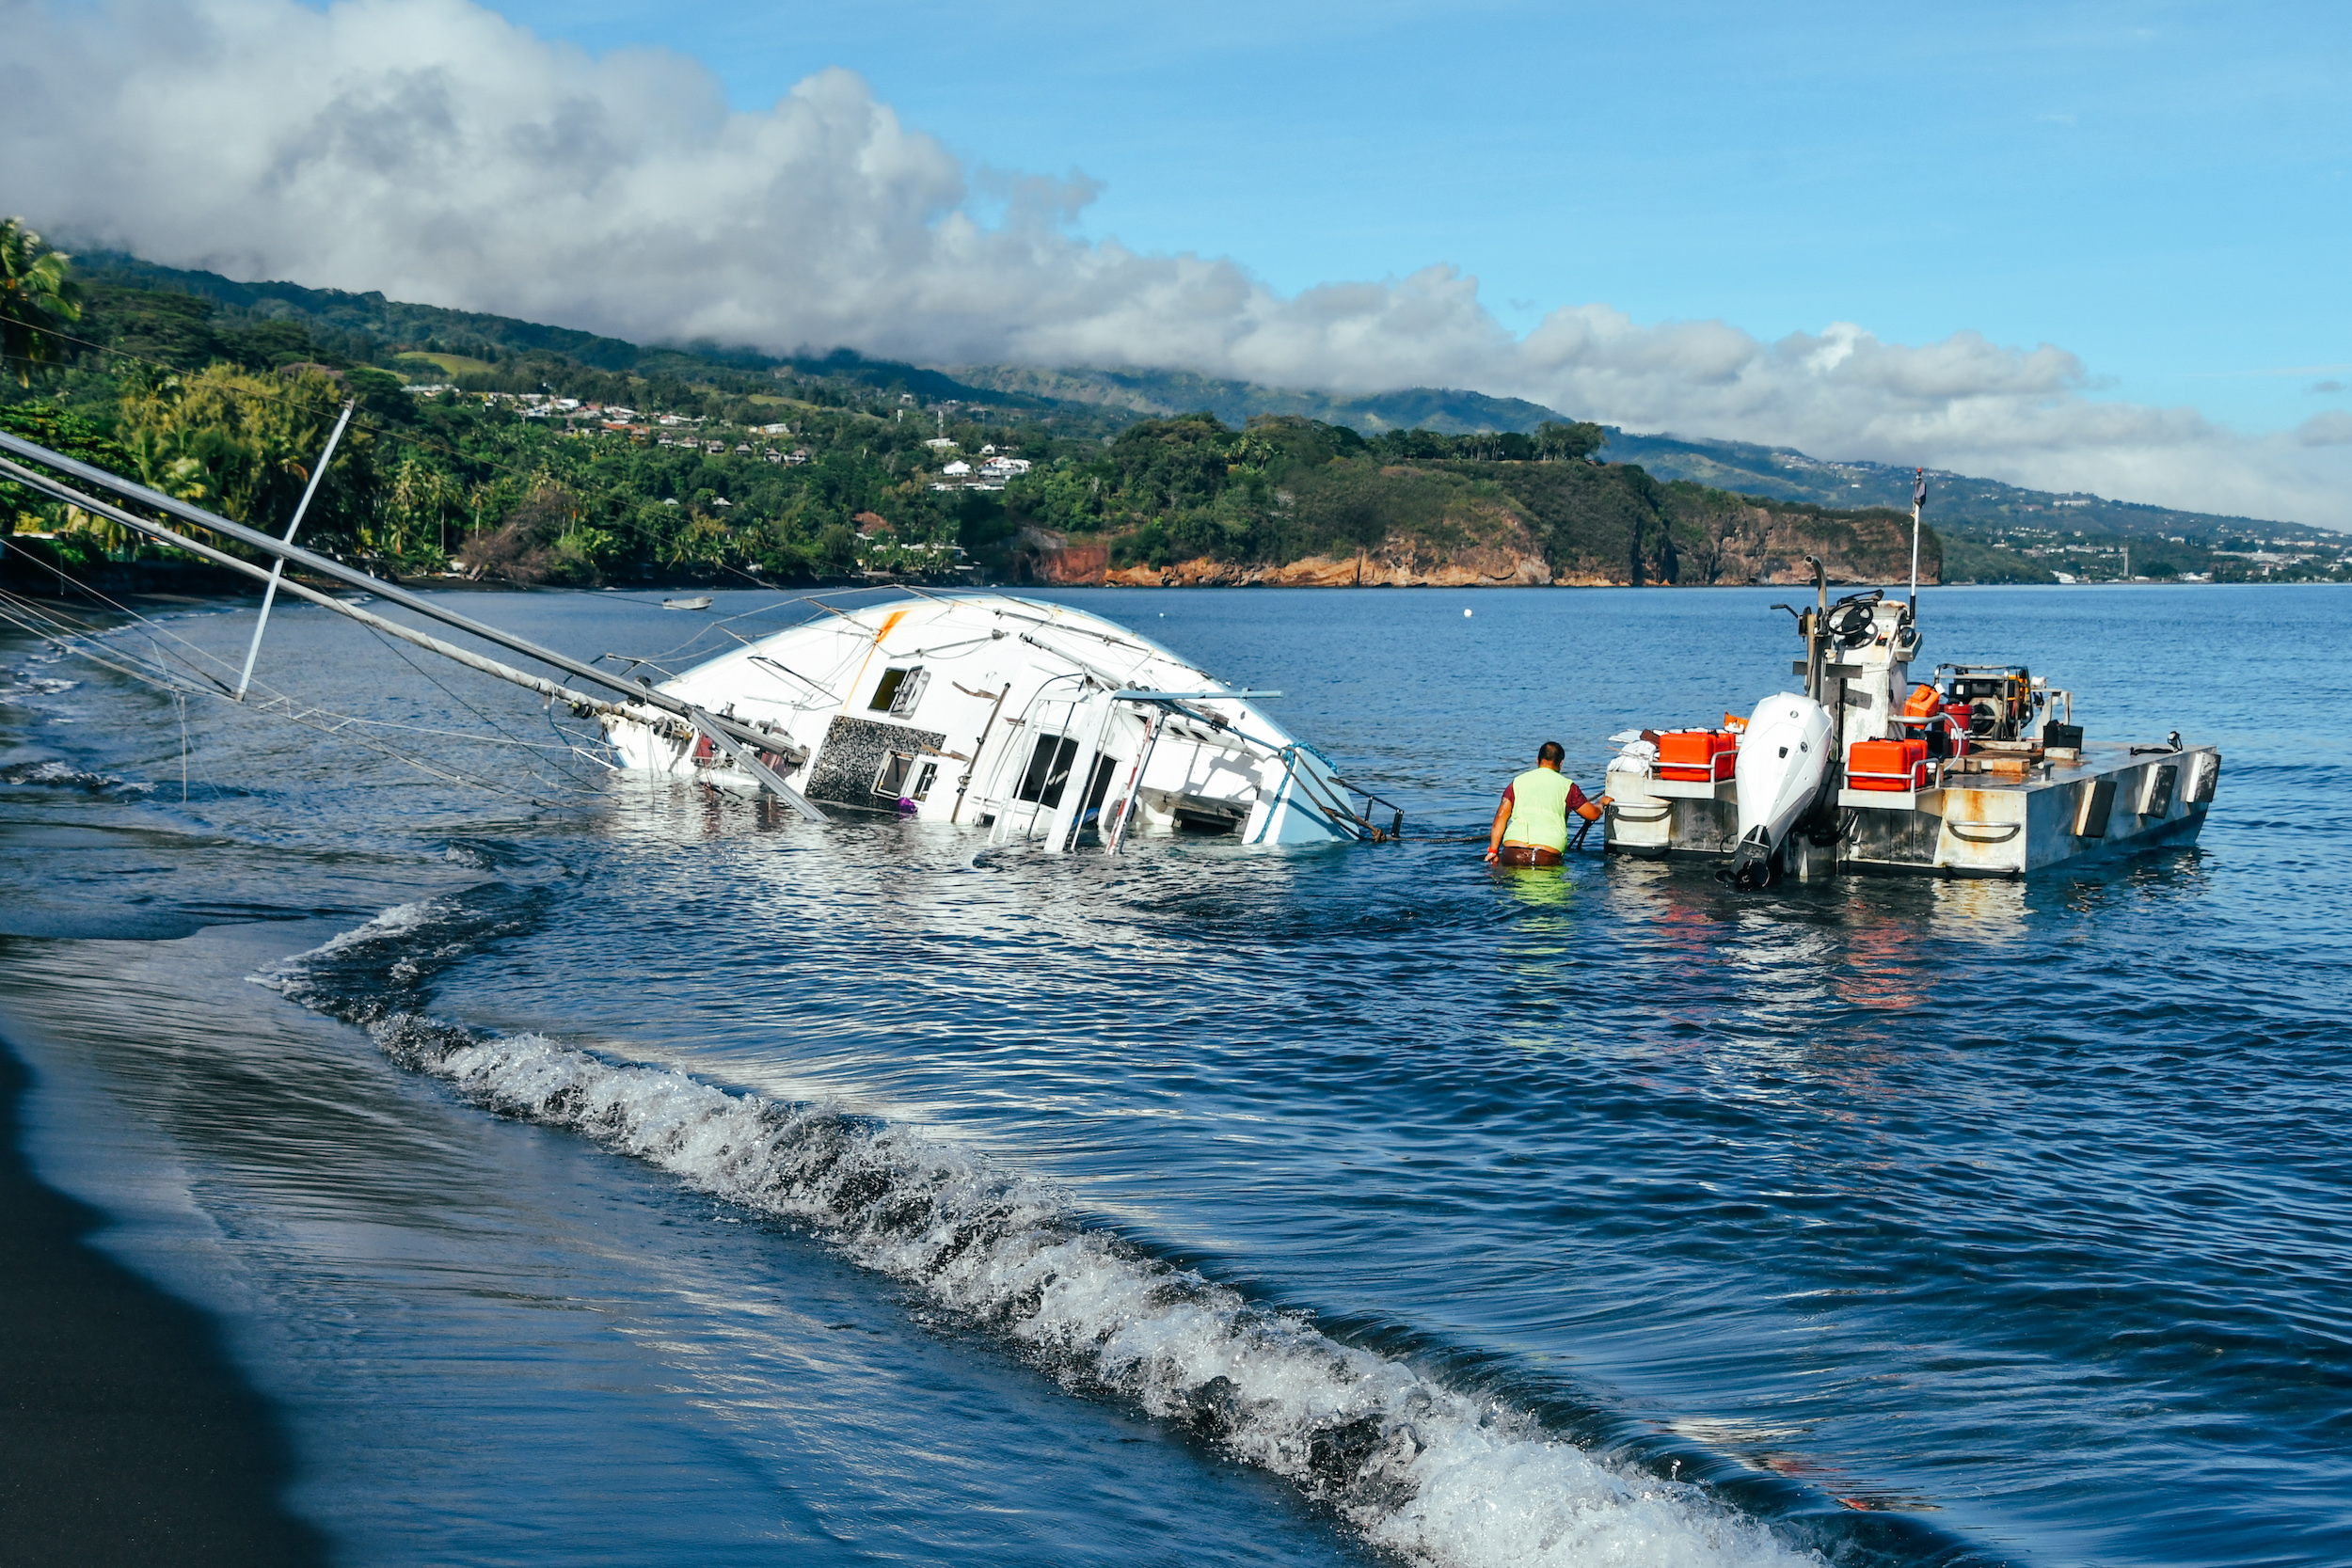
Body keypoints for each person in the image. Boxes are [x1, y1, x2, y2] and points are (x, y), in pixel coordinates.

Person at [1484, 741, 1609, 866]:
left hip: (1512, 853)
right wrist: (1601, 803)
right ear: (1561, 763)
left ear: (1537, 760)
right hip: (1546, 855)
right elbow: (1592, 814)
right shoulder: (1568, 787)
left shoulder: (1516, 782)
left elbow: (1500, 817)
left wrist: (1493, 851)